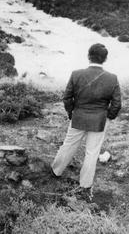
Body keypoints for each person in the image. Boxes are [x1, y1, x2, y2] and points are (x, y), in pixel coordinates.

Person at [51, 43, 122, 200]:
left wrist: (71, 113)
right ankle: (85, 183)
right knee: (92, 152)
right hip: (99, 120)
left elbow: (67, 98)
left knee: (68, 145)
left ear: (88, 56)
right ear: (105, 59)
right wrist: (108, 116)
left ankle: (56, 171)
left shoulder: (76, 74)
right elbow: (117, 104)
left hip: (79, 116)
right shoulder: (112, 78)